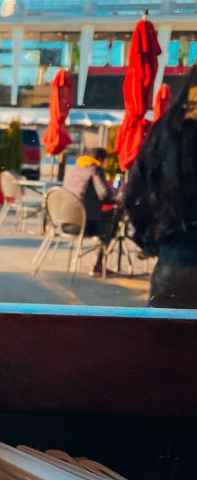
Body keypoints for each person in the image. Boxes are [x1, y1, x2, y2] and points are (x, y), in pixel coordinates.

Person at [126, 65, 197, 308]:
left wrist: (153, 238)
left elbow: (135, 194)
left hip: (176, 260)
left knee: (165, 341)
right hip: (176, 251)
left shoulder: (167, 130)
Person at [62, 147, 121, 275]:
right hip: (85, 225)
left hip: (66, 223)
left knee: (109, 219)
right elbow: (105, 195)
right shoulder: (95, 169)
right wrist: (118, 193)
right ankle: (98, 264)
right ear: (101, 159)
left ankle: (98, 264)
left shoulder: (73, 169)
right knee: (113, 222)